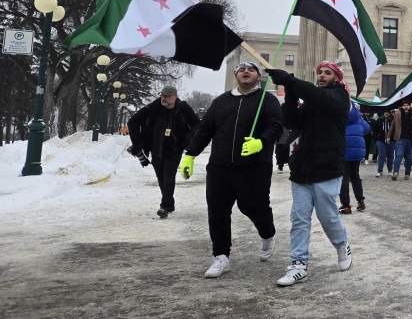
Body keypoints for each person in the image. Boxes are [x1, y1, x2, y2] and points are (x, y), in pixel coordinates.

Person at [180, 62, 282, 279]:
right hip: (220, 166)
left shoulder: (267, 99)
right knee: (217, 212)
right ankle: (221, 256)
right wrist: (190, 155)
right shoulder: (221, 101)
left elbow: (276, 126)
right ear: (236, 75)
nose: (246, 72)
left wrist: (261, 142)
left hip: (254, 167)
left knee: (253, 207)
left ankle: (267, 234)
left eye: (251, 70)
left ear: (258, 77)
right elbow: (205, 130)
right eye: (241, 70)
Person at [267, 61, 354, 286]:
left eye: (327, 73)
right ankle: (298, 265)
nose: (322, 76)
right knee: (299, 218)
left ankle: (341, 243)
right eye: (319, 73)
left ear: (336, 78)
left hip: (327, 167)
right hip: (302, 168)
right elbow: (292, 121)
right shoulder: (310, 101)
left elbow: (320, 97)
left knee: (327, 216)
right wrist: (289, 97)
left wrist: (290, 80)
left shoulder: (340, 97)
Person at [127, 85, 200, 219]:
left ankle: (164, 206)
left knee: (168, 177)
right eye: (162, 96)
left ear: (175, 96)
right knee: (161, 178)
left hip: (174, 148)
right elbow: (132, 121)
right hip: (156, 149)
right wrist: (138, 144)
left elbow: (197, 124)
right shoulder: (153, 108)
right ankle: (170, 203)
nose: (164, 98)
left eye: (167, 96)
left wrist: (188, 138)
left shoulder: (183, 108)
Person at [341, 105, 371, 214]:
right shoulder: (359, 117)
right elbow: (367, 129)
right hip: (357, 151)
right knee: (355, 175)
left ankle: (346, 205)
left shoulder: (341, 116)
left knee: (344, 177)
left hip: (344, 150)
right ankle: (361, 201)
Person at [388, 101, 412, 180]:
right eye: (404, 105)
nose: (406, 107)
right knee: (398, 155)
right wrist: (388, 136)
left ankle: (407, 173)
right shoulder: (398, 114)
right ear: (402, 106)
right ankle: (395, 172)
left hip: (411, 139)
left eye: (407, 105)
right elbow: (392, 126)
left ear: (410, 106)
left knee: (409, 157)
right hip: (400, 138)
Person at [372, 110, 394, 177]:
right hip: (380, 141)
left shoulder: (392, 121)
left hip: (391, 141)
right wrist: (376, 140)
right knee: (381, 155)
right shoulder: (379, 121)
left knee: (390, 156)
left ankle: (390, 170)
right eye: (385, 112)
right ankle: (379, 170)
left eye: (388, 112)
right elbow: (374, 131)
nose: (386, 113)